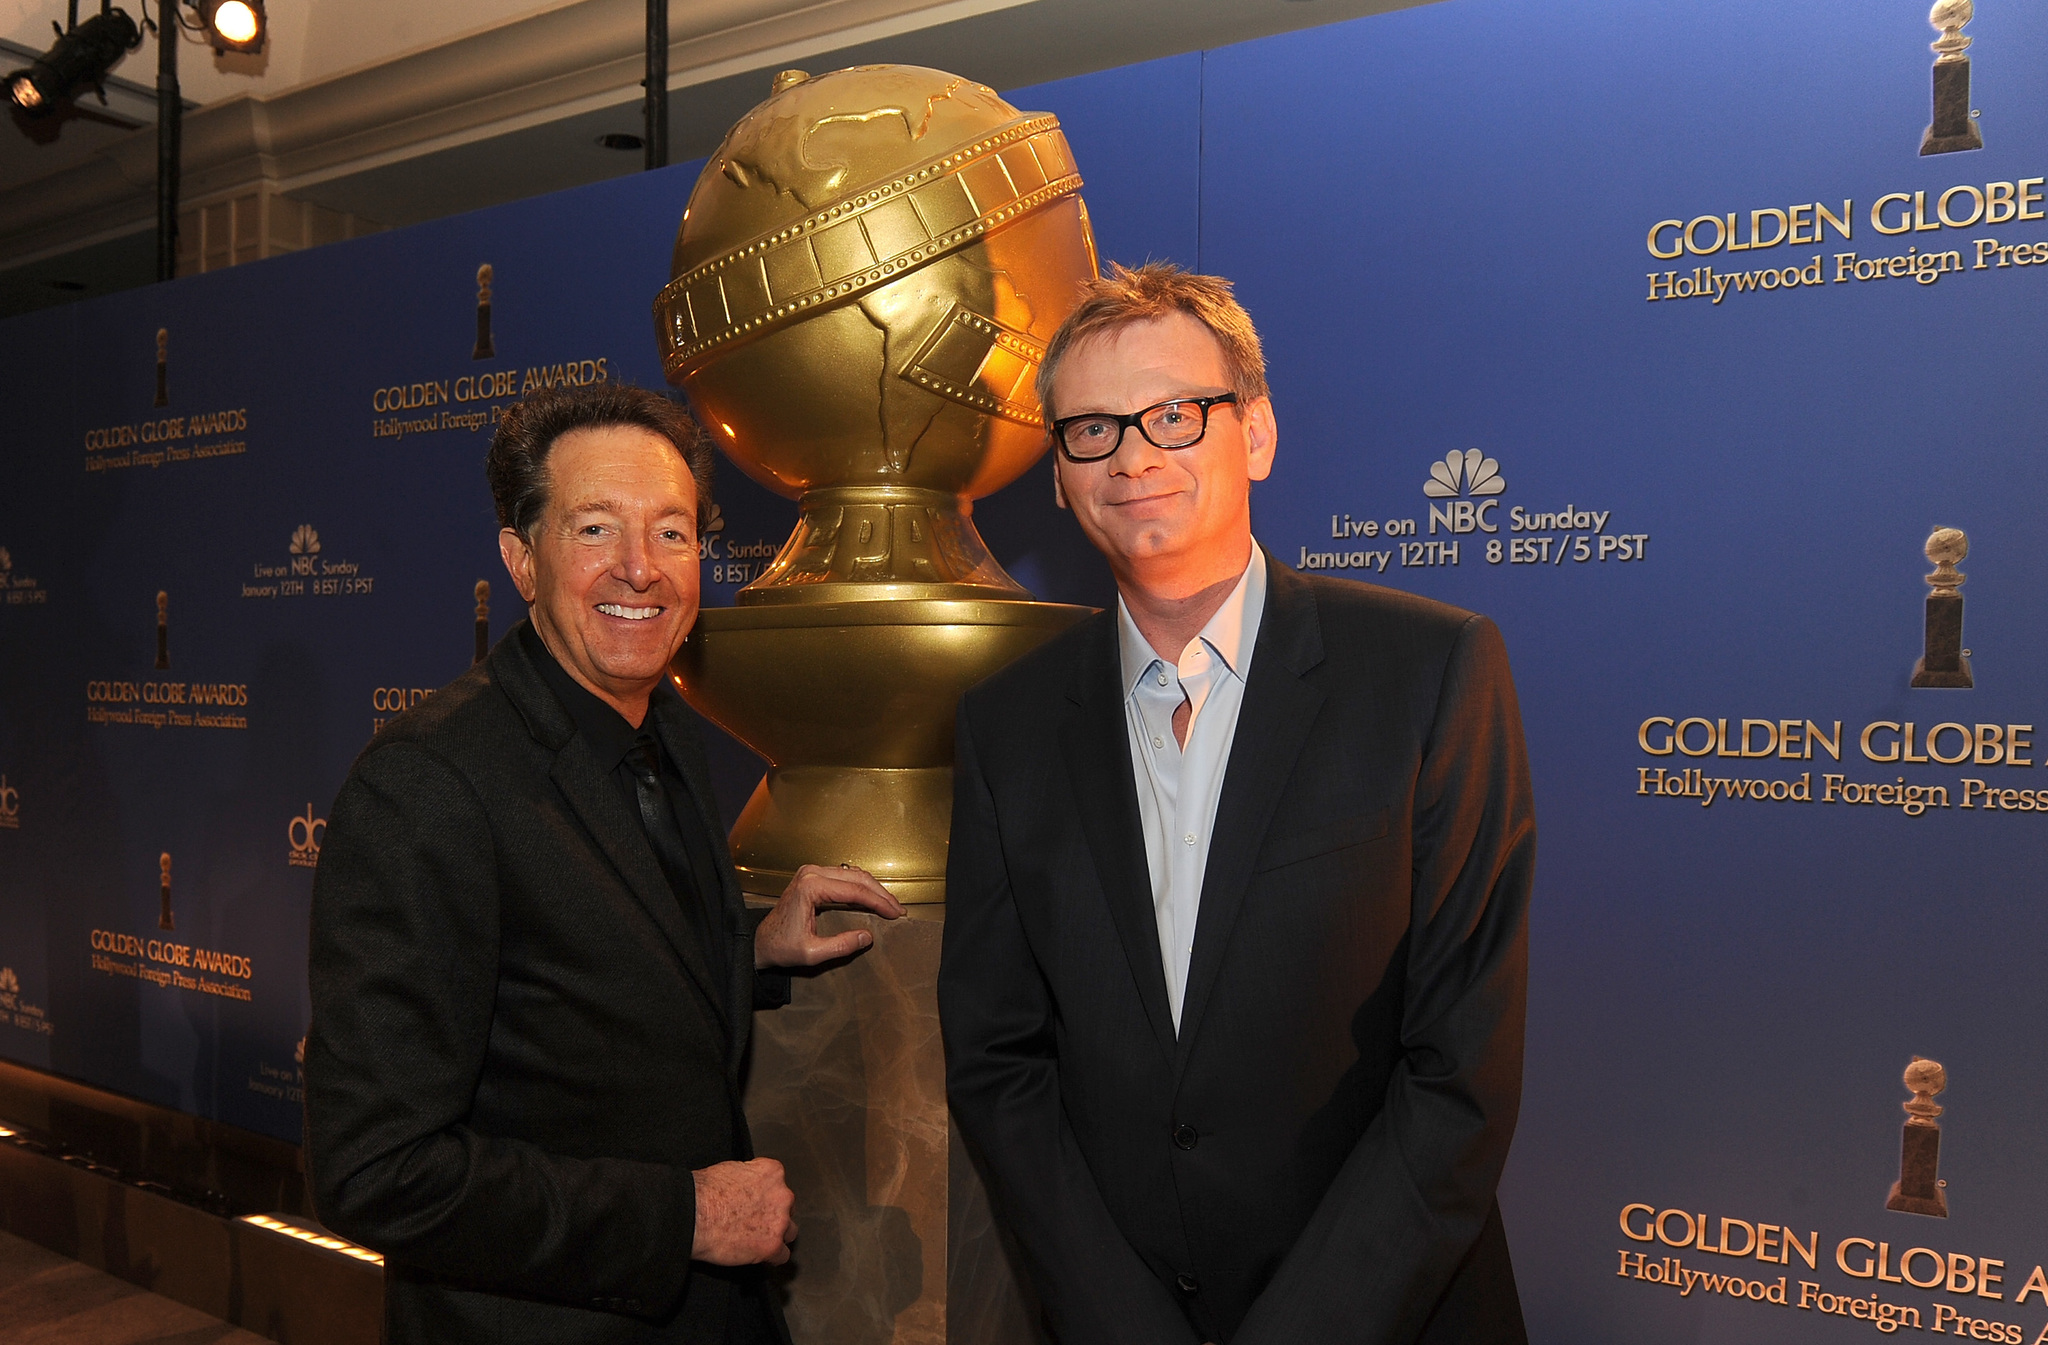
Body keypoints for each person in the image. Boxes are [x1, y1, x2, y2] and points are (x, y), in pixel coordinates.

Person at [939, 263, 1534, 1345]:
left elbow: (1461, 1069)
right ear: (1060, 481)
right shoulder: (1003, 728)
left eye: (1174, 414)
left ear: (1254, 433)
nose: (1133, 457)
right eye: (1091, 431)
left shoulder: (1431, 671)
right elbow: (996, 1062)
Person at [306, 382, 904, 1344]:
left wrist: (748, 951)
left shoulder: (665, 722)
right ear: (520, 560)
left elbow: (575, 972)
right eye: (594, 529)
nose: (641, 568)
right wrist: (683, 1217)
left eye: (672, 533)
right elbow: (376, 1170)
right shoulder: (426, 787)